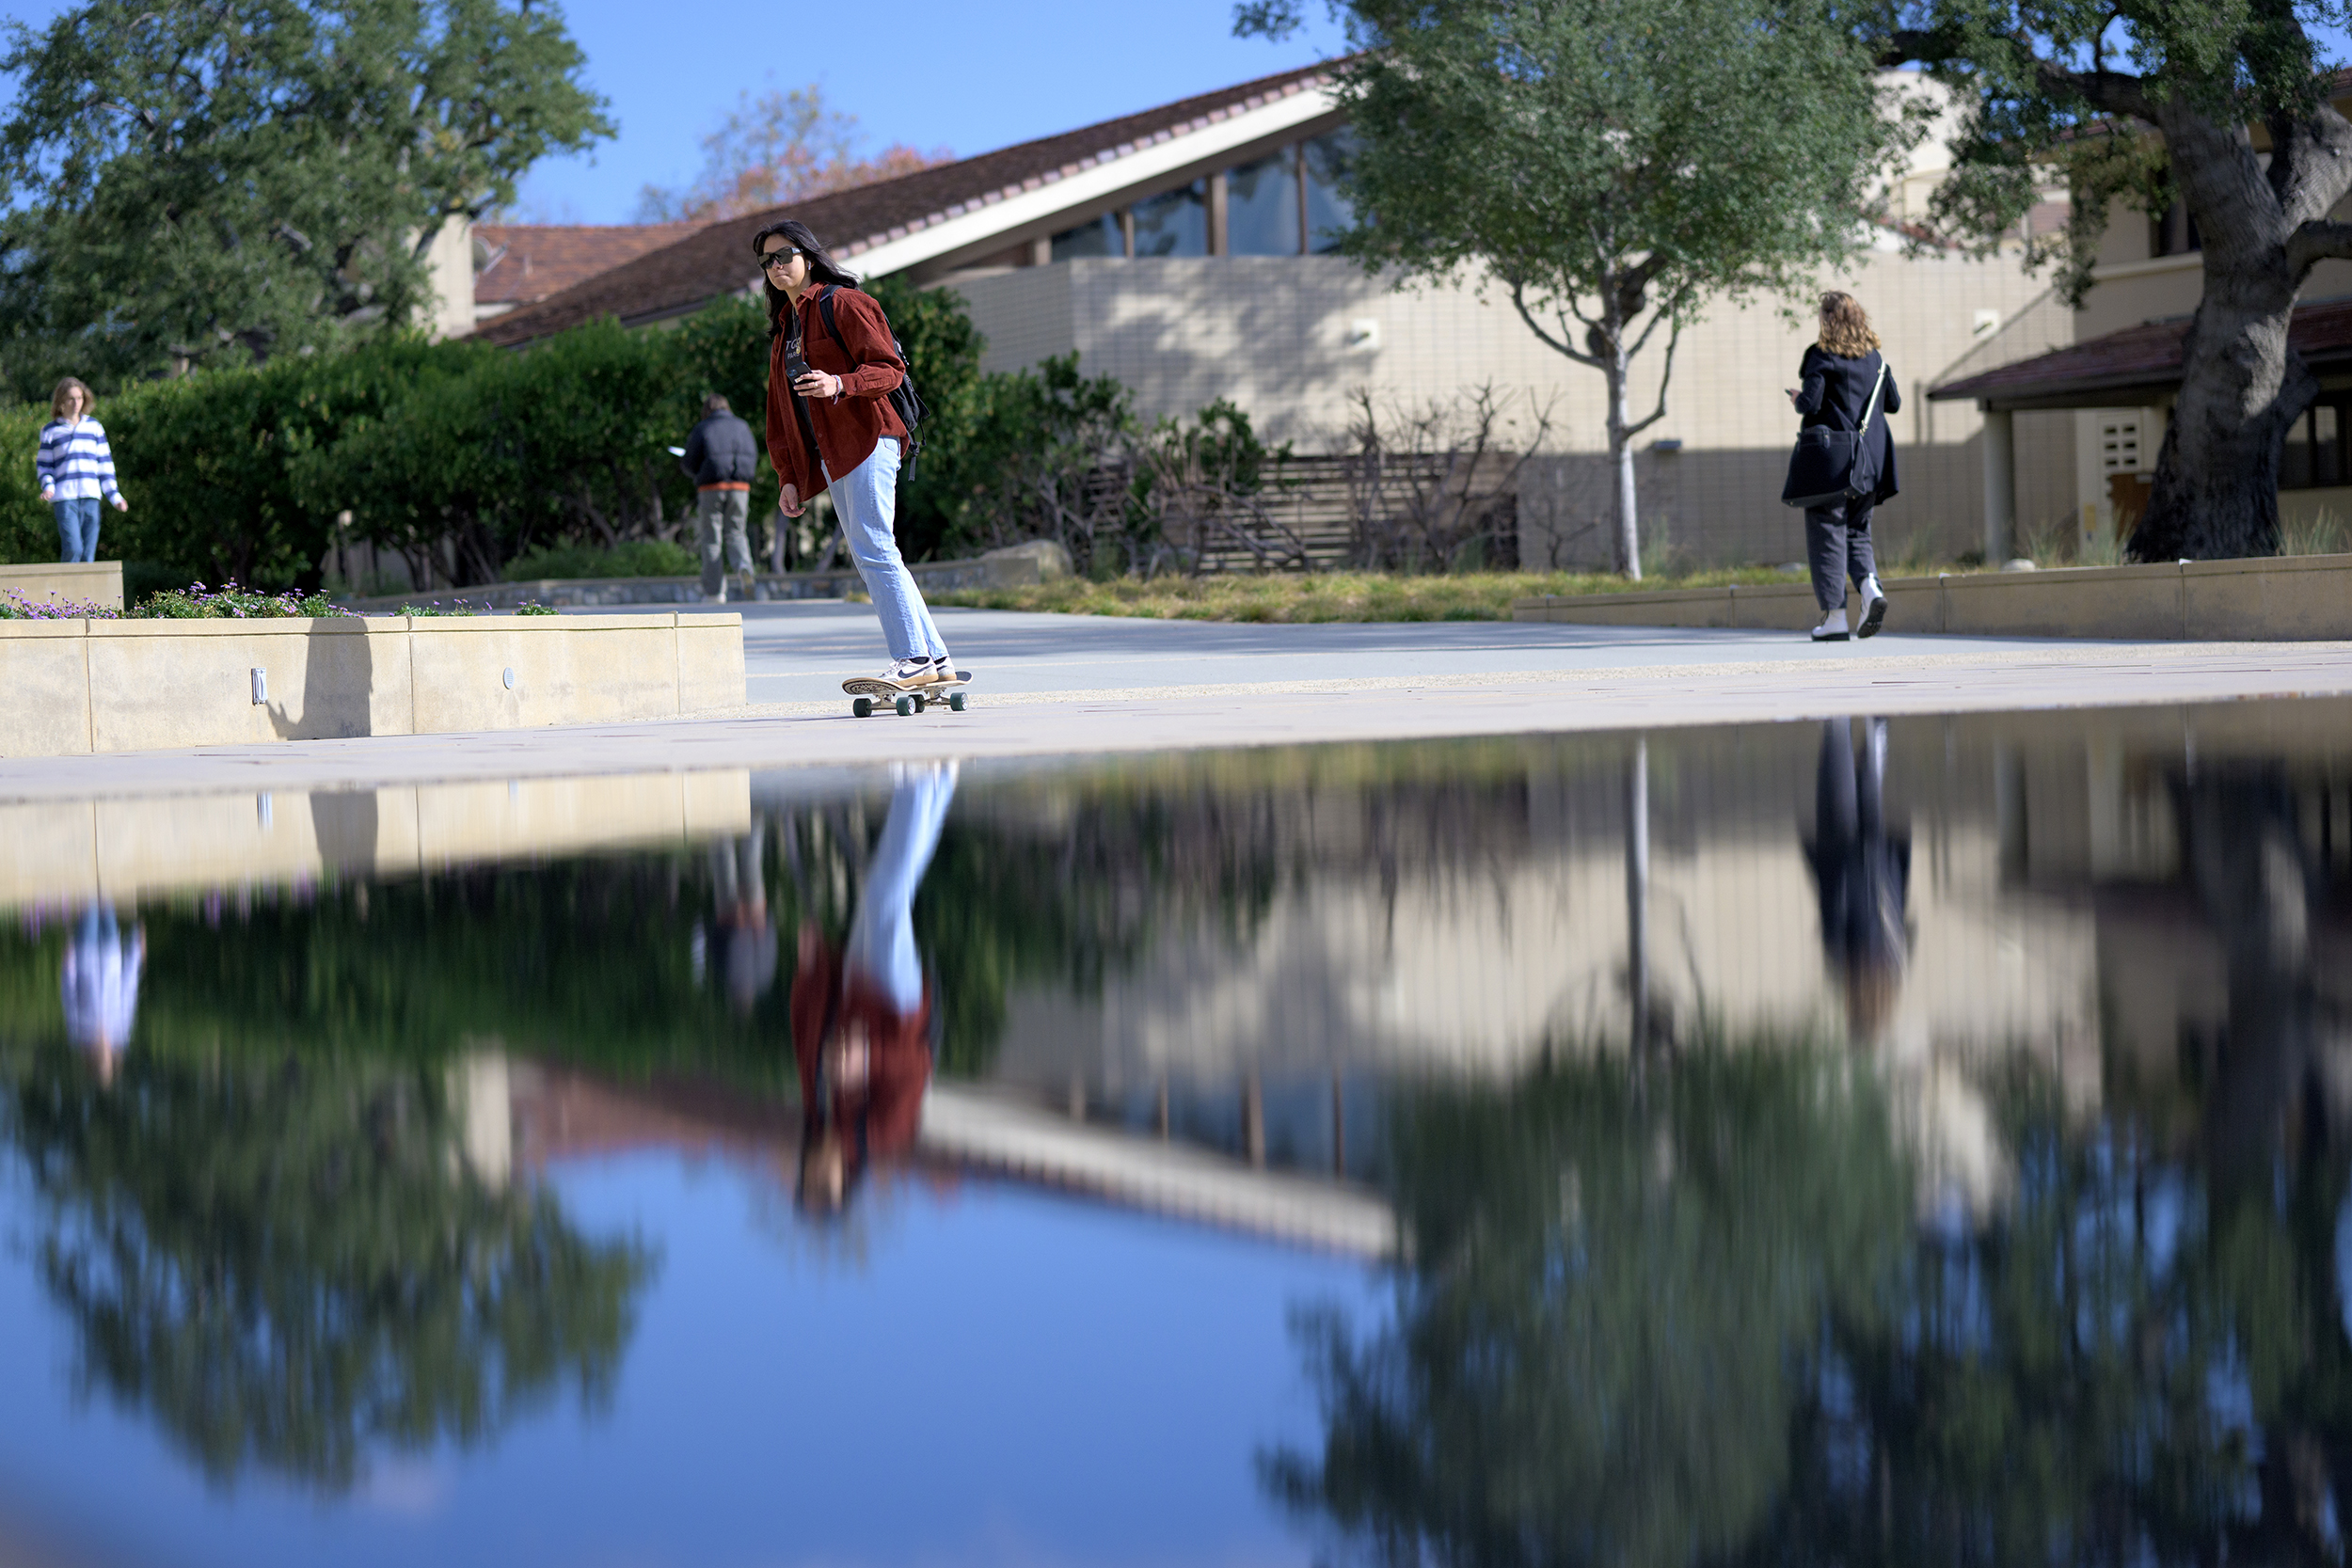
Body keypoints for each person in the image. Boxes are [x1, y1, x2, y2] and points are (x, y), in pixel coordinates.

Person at [755, 220, 958, 690]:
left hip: (869, 437)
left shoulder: (844, 303)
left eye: (784, 255)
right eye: (767, 261)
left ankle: (911, 658)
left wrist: (839, 383)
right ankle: (936, 659)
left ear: (808, 255)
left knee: (873, 548)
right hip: (832, 453)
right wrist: (789, 473)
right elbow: (779, 411)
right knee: (876, 551)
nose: (775, 266)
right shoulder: (785, 328)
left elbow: (889, 369)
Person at [790, 763, 957, 1214]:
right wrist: (871, 1059)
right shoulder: (882, 1134)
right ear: (846, 1181)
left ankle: (940, 779)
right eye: (823, 1187)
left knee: (888, 892)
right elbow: (917, 1064)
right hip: (893, 1005)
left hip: (851, 984)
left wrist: (810, 967)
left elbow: (805, 1028)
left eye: (806, 1183)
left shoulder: (814, 1108)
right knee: (886, 897)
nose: (812, 1174)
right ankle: (921, 778)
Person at [1787, 293, 1899, 642]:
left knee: (1827, 532)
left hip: (1834, 461)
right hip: (1872, 460)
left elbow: (1812, 401)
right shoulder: (1876, 359)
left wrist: (1796, 398)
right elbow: (1892, 403)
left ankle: (1835, 617)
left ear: (1828, 319)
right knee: (1858, 531)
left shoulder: (1821, 355)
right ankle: (1870, 588)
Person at [1803, 718, 1909, 1043]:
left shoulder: (1894, 968)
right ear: (1854, 1013)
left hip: (1879, 865)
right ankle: (1839, 726)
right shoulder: (1845, 970)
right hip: (1844, 863)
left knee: (1869, 801)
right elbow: (1833, 908)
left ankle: (1876, 743)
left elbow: (1899, 910)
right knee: (1837, 796)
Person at [678, 392, 761, 602]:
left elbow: (688, 462)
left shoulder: (703, 428)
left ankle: (714, 593)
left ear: (707, 410)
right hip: (740, 488)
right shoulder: (742, 426)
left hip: (711, 488)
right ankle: (743, 566)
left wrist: (697, 472)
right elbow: (753, 457)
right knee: (736, 532)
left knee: (711, 538)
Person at [36, 377, 127, 563]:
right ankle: (64, 592)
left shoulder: (94, 427)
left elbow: (105, 465)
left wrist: (115, 496)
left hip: (91, 495)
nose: (76, 403)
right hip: (64, 498)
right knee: (74, 548)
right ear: (61, 401)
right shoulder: (50, 431)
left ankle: (86, 594)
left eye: (79, 398)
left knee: (88, 555)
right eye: (71, 398)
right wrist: (48, 486)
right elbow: (44, 466)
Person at [61, 902, 143, 1085]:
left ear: (91, 1061)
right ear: (112, 1059)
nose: (102, 1057)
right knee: (106, 901)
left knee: (90, 905)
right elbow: (129, 989)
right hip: (112, 953)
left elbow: (69, 995)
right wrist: (136, 950)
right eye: (106, 1062)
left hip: (84, 954)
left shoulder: (78, 1032)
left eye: (98, 1062)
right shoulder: (121, 1031)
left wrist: (69, 965)